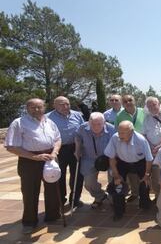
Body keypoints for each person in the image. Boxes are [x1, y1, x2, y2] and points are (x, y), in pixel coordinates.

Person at [4, 98, 61, 234]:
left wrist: (55, 152)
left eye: (39, 107)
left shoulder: (49, 121)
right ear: (27, 108)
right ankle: (30, 221)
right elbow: (11, 146)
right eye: (33, 107)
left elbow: (58, 139)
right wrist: (34, 157)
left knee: (53, 189)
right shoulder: (19, 123)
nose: (36, 109)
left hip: (50, 158)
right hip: (29, 160)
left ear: (44, 107)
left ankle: (52, 216)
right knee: (30, 192)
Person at [104, 121, 153, 220]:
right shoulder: (115, 138)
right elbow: (111, 157)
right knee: (118, 184)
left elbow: (149, 158)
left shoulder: (141, 140)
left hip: (140, 162)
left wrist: (147, 174)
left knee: (145, 183)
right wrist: (116, 175)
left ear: (131, 132)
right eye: (119, 132)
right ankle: (119, 211)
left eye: (123, 133)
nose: (120, 135)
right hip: (122, 162)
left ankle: (145, 205)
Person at [47, 96, 85, 207]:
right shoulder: (47, 117)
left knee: (78, 175)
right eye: (62, 104)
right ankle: (61, 200)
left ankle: (75, 199)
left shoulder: (77, 115)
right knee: (59, 175)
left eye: (67, 104)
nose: (65, 106)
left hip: (75, 147)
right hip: (58, 149)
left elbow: (83, 129)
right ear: (54, 105)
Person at [75, 112, 116, 208]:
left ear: (104, 122)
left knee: (114, 178)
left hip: (108, 158)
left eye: (99, 124)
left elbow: (116, 143)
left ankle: (113, 198)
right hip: (89, 157)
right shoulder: (83, 127)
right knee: (89, 184)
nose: (96, 127)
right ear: (89, 122)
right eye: (93, 124)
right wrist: (77, 149)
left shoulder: (112, 129)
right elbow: (78, 137)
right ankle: (100, 196)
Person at [114, 95, 145, 203]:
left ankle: (144, 197)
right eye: (125, 101)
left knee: (142, 173)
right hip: (126, 147)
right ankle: (135, 193)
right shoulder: (119, 115)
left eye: (130, 100)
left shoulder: (144, 112)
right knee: (131, 174)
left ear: (134, 100)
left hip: (143, 147)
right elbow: (116, 132)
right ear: (122, 104)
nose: (128, 102)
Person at [142, 96, 161, 199]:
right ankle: (158, 197)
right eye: (149, 105)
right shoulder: (146, 119)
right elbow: (144, 135)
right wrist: (151, 147)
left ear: (159, 104)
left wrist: (160, 145)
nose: (152, 107)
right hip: (152, 152)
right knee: (156, 176)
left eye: (154, 104)